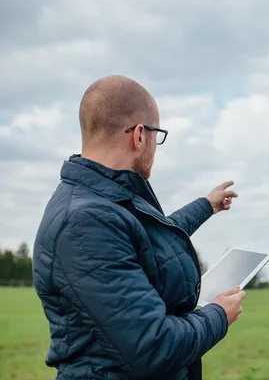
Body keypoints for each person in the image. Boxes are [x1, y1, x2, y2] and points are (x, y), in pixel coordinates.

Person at [32, 75, 246, 380]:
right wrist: (218, 315)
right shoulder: (85, 223)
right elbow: (155, 346)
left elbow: (152, 239)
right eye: (157, 136)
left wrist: (207, 205)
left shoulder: (105, 200)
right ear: (140, 135)